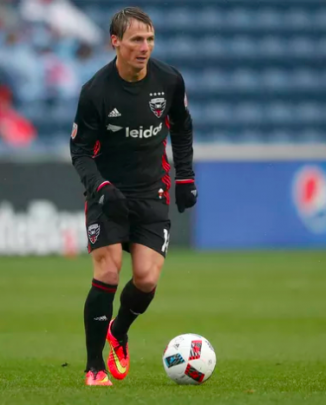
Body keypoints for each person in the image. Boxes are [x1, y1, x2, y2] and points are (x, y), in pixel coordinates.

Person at [70, 7, 197, 386]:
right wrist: (101, 187)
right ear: (116, 42)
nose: (145, 47)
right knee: (108, 271)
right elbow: (79, 152)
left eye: (150, 40)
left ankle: (119, 331)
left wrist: (185, 176)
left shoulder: (170, 81)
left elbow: (182, 128)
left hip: (150, 191)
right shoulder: (95, 90)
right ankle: (94, 367)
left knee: (145, 279)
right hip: (107, 192)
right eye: (136, 40)